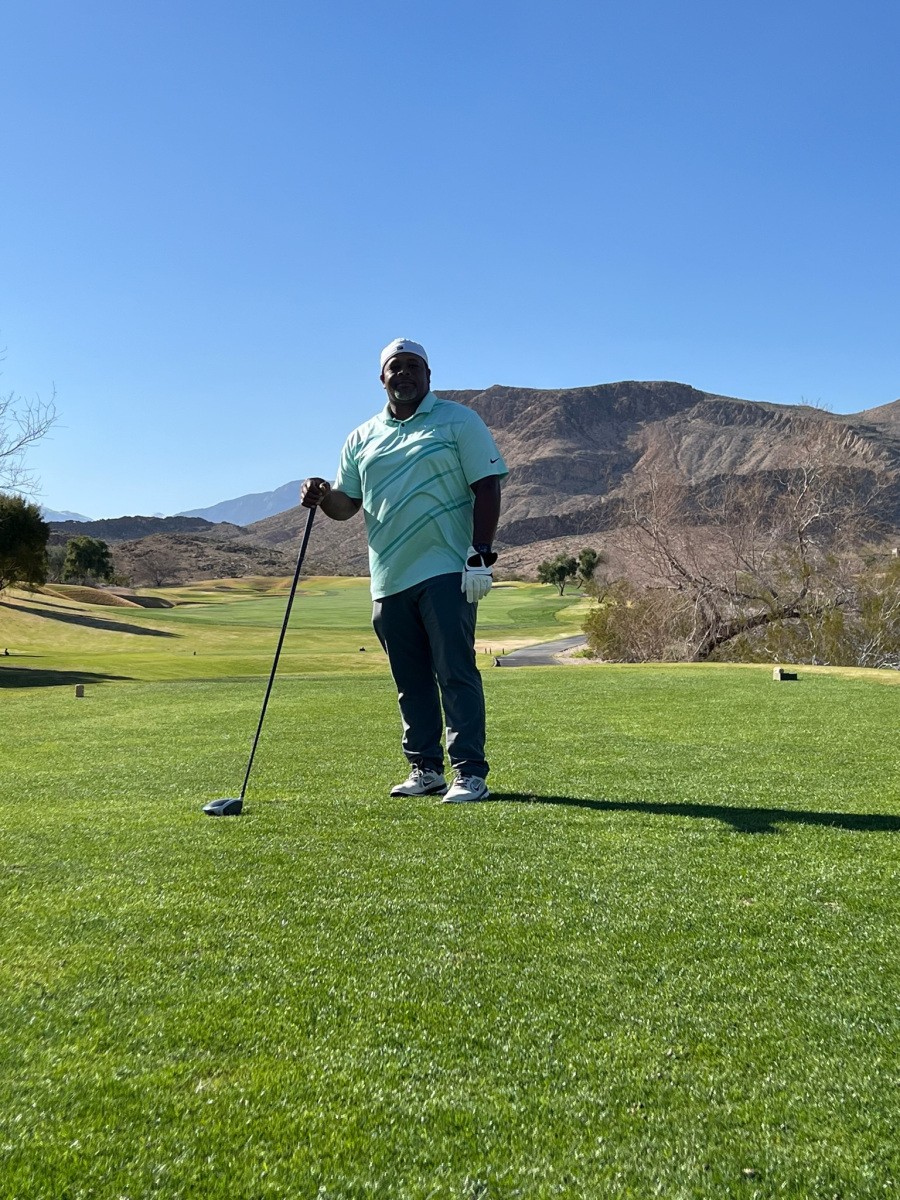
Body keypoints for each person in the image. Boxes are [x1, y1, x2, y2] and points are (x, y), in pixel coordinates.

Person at [301, 338, 507, 802]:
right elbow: (347, 505)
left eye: (414, 365)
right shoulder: (361, 437)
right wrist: (323, 494)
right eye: (396, 367)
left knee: (455, 672)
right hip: (388, 577)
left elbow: (487, 484)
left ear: (429, 375)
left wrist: (480, 553)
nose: (405, 373)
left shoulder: (459, 421)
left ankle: (469, 772)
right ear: (382, 379)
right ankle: (425, 769)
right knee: (410, 682)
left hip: (446, 567)